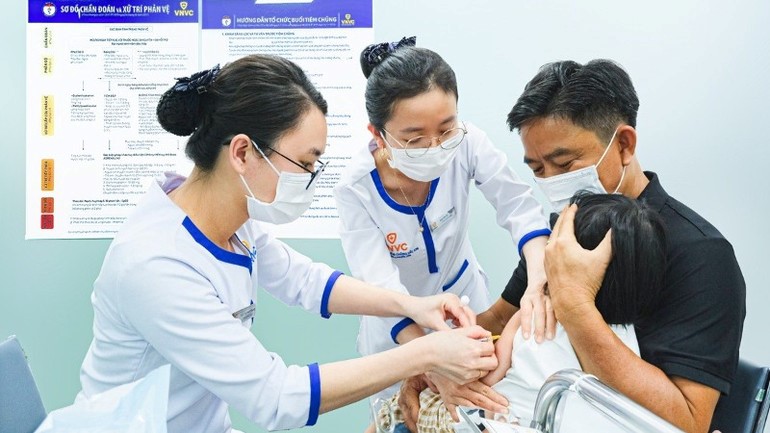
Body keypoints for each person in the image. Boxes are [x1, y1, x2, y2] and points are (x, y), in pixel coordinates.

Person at [75, 54, 500, 433]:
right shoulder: (156, 264)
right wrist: (425, 353)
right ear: (243, 153)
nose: (311, 178)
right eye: (306, 162)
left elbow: (306, 282)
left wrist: (413, 306)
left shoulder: (227, 220)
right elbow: (275, 399)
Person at [397, 59, 746, 433]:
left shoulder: (701, 255)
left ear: (624, 145)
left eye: (564, 165)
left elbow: (688, 421)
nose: (551, 182)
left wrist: (574, 306)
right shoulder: (566, 229)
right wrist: (429, 364)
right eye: (538, 169)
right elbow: (499, 319)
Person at [333, 36, 550, 411]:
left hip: (464, 303)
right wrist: (430, 362)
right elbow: (380, 288)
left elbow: (518, 207)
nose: (435, 147)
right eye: (414, 139)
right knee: (406, 415)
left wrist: (537, 282)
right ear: (378, 135)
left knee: (475, 407)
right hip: (398, 329)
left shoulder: (468, 143)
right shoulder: (355, 189)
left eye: (446, 129)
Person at [376, 192, 668, 433]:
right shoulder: (627, 347)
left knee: (396, 412)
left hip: (489, 421)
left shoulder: (531, 314)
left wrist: (461, 353)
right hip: (538, 423)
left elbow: (489, 374)